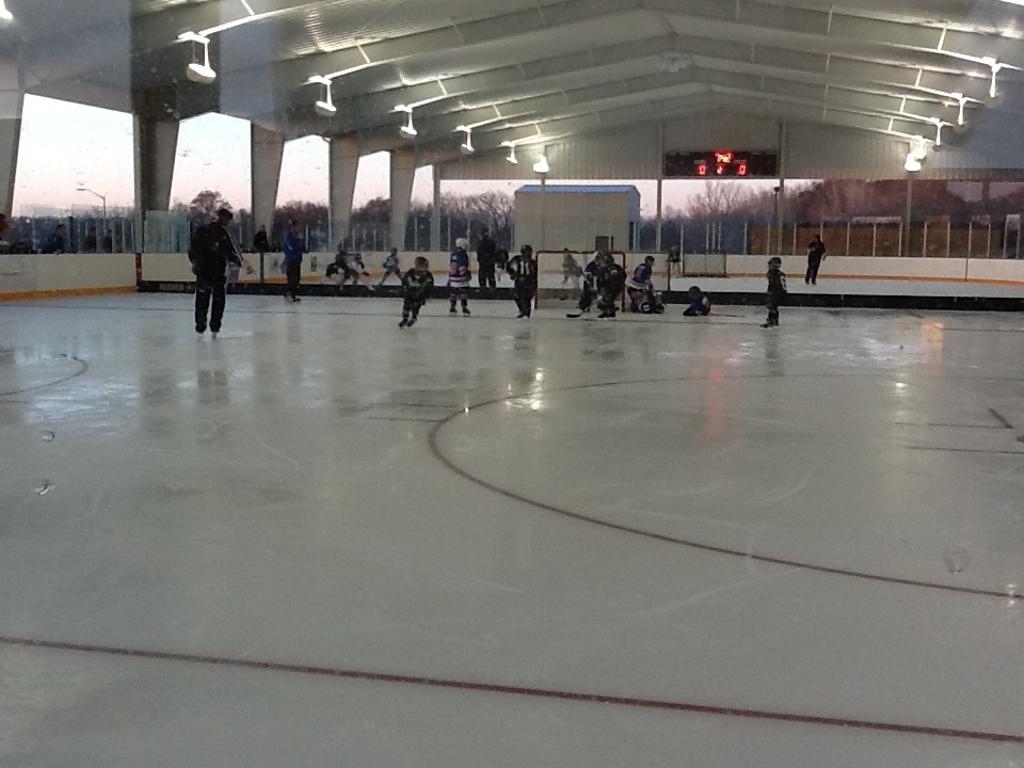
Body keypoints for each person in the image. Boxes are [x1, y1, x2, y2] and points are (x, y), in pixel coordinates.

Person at [189, 208, 240, 337]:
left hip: (209, 271)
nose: (228, 223)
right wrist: (235, 259)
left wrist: (196, 262)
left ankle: (204, 326)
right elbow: (229, 250)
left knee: (206, 300)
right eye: (227, 219)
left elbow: (192, 250)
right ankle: (211, 327)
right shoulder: (217, 233)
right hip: (211, 271)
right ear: (222, 218)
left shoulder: (208, 231)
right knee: (213, 300)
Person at [399, 256, 435, 328]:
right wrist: (405, 288)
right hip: (409, 293)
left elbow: (430, 286)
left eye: (425, 266)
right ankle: (405, 319)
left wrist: (427, 294)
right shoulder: (410, 273)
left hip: (420, 295)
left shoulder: (428, 276)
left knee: (416, 306)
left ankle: (414, 318)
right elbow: (404, 281)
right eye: (420, 265)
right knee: (406, 306)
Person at [507, 244, 538, 318]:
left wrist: (534, 284)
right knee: (517, 295)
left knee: (527, 297)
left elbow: (535, 273)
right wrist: (514, 275)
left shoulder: (532, 262)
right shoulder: (517, 259)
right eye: (526, 252)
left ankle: (526, 311)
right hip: (519, 281)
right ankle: (523, 310)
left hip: (529, 281)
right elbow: (508, 266)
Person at [596, 252, 626, 319]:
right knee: (603, 299)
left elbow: (621, 276)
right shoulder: (603, 269)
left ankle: (609, 311)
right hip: (611, 288)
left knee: (605, 299)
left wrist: (617, 285)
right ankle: (608, 311)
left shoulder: (613, 268)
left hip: (613, 288)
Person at [282, 219, 305, 302]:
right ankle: (289, 293)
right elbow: (290, 247)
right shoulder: (290, 236)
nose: (299, 228)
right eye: (297, 227)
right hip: (291, 259)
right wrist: (299, 243)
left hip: (297, 259)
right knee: (292, 277)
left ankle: (293, 294)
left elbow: (301, 247)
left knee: (296, 278)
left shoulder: (297, 236)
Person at [448, 237, 472, 315]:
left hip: (453, 276)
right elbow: (461, 265)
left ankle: (452, 306)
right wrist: (465, 273)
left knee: (453, 292)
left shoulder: (453, 253)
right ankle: (464, 307)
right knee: (463, 292)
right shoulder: (462, 254)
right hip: (460, 277)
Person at [763, 256, 787, 328]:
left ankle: (772, 320)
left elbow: (776, 284)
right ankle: (773, 320)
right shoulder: (778, 273)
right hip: (777, 292)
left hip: (776, 292)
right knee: (772, 306)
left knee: (772, 306)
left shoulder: (774, 274)